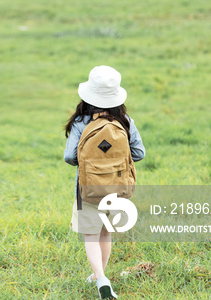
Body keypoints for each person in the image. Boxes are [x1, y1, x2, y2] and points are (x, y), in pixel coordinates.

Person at [63, 65, 145, 299]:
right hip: (117, 190)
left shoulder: (80, 122)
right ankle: (99, 275)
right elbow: (139, 153)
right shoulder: (125, 121)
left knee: (90, 235)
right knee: (105, 233)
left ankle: (100, 278)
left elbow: (69, 157)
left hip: (88, 189)